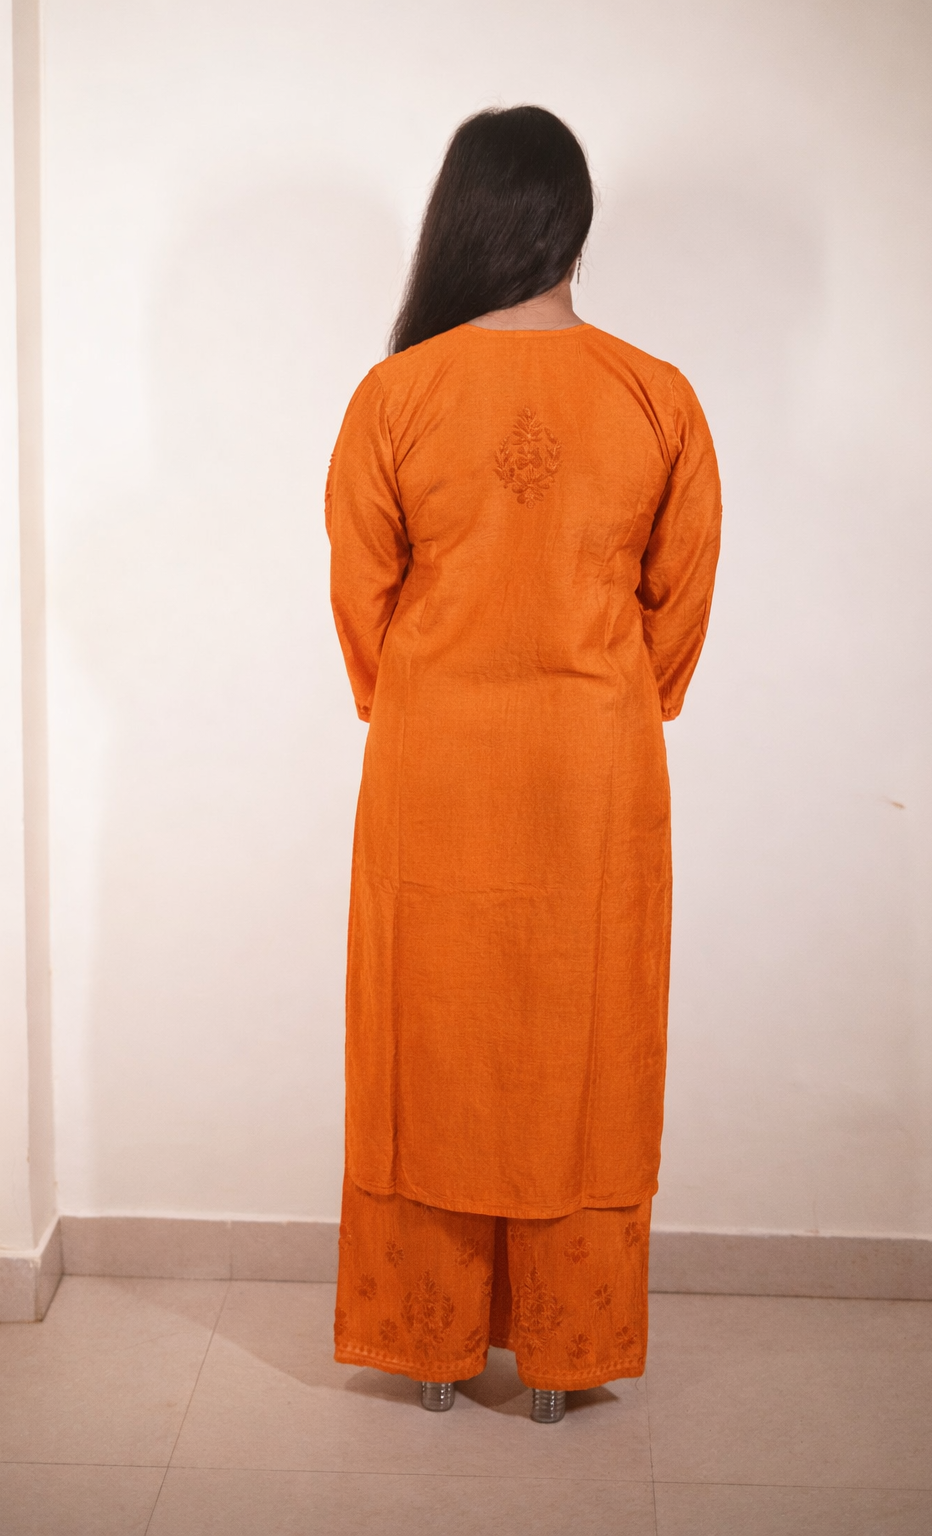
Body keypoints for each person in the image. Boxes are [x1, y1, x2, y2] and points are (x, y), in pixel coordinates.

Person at [325, 105, 721, 1423]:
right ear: (573, 223)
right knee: (584, 1047)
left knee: (426, 1043)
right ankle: (561, 1356)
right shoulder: (656, 396)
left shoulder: (395, 395)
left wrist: (422, 696)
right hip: (595, 781)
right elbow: (680, 608)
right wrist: (609, 703)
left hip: (434, 772)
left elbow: (363, 604)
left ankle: (431, 1345)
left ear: (461, 220)